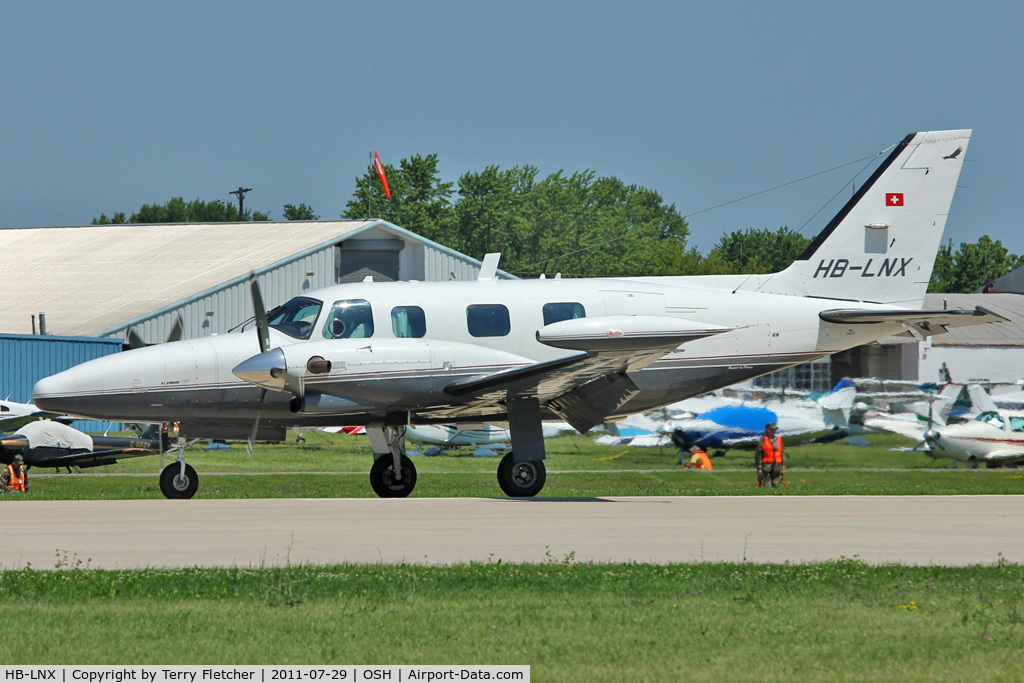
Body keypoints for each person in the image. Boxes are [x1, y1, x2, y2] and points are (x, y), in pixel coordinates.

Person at [756, 422, 784, 488]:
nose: (774, 431)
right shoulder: (762, 440)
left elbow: (782, 453)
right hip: (766, 465)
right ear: (767, 430)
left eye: (774, 429)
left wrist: (783, 466)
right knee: (765, 484)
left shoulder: (779, 439)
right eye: (772, 429)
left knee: (776, 484)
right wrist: (759, 468)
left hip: (777, 465)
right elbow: (759, 455)